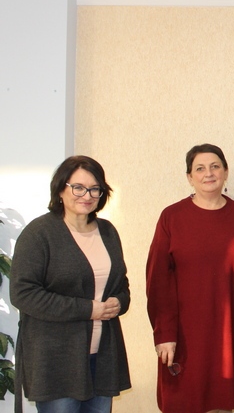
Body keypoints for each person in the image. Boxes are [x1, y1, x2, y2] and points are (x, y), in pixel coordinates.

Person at [10, 155, 131, 413]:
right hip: (57, 362)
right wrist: (88, 309)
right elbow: (23, 294)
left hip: (103, 358)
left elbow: (121, 284)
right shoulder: (39, 233)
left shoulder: (108, 231)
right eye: (78, 187)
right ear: (61, 189)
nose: (87, 195)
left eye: (95, 188)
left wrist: (119, 302)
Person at [146, 144, 234, 413]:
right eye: (200, 168)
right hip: (185, 335)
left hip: (229, 333)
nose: (208, 173)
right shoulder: (171, 217)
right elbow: (157, 281)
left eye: (215, 166)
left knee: (221, 404)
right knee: (185, 403)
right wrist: (164, 333)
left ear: (225, 172)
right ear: (189, 177)